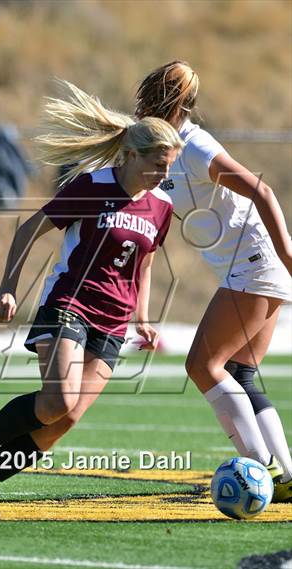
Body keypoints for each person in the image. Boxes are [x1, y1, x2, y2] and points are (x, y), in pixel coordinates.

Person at [0, 80, 184, 517]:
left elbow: (142, 264)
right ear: (131, 155)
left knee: (65, 421)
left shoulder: (161, 206)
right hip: (70, 303)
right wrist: (8, 285)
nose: (163, 175)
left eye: (169, 168)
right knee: (58, 402)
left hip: (114, 322)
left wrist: (144, 318)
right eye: (157, 164)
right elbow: (28, 230)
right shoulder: (91, 187)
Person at [135, 60, 292, 502]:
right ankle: (286, 476)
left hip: (256, 265)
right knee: (239, 373)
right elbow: (151, 237)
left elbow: (262, 190)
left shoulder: (196, 145)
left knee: (201, 366)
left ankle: (262, 471)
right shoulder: (160, 151)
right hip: (253, 268)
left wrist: (286, 255)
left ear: (166, 102)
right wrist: (143, 313)